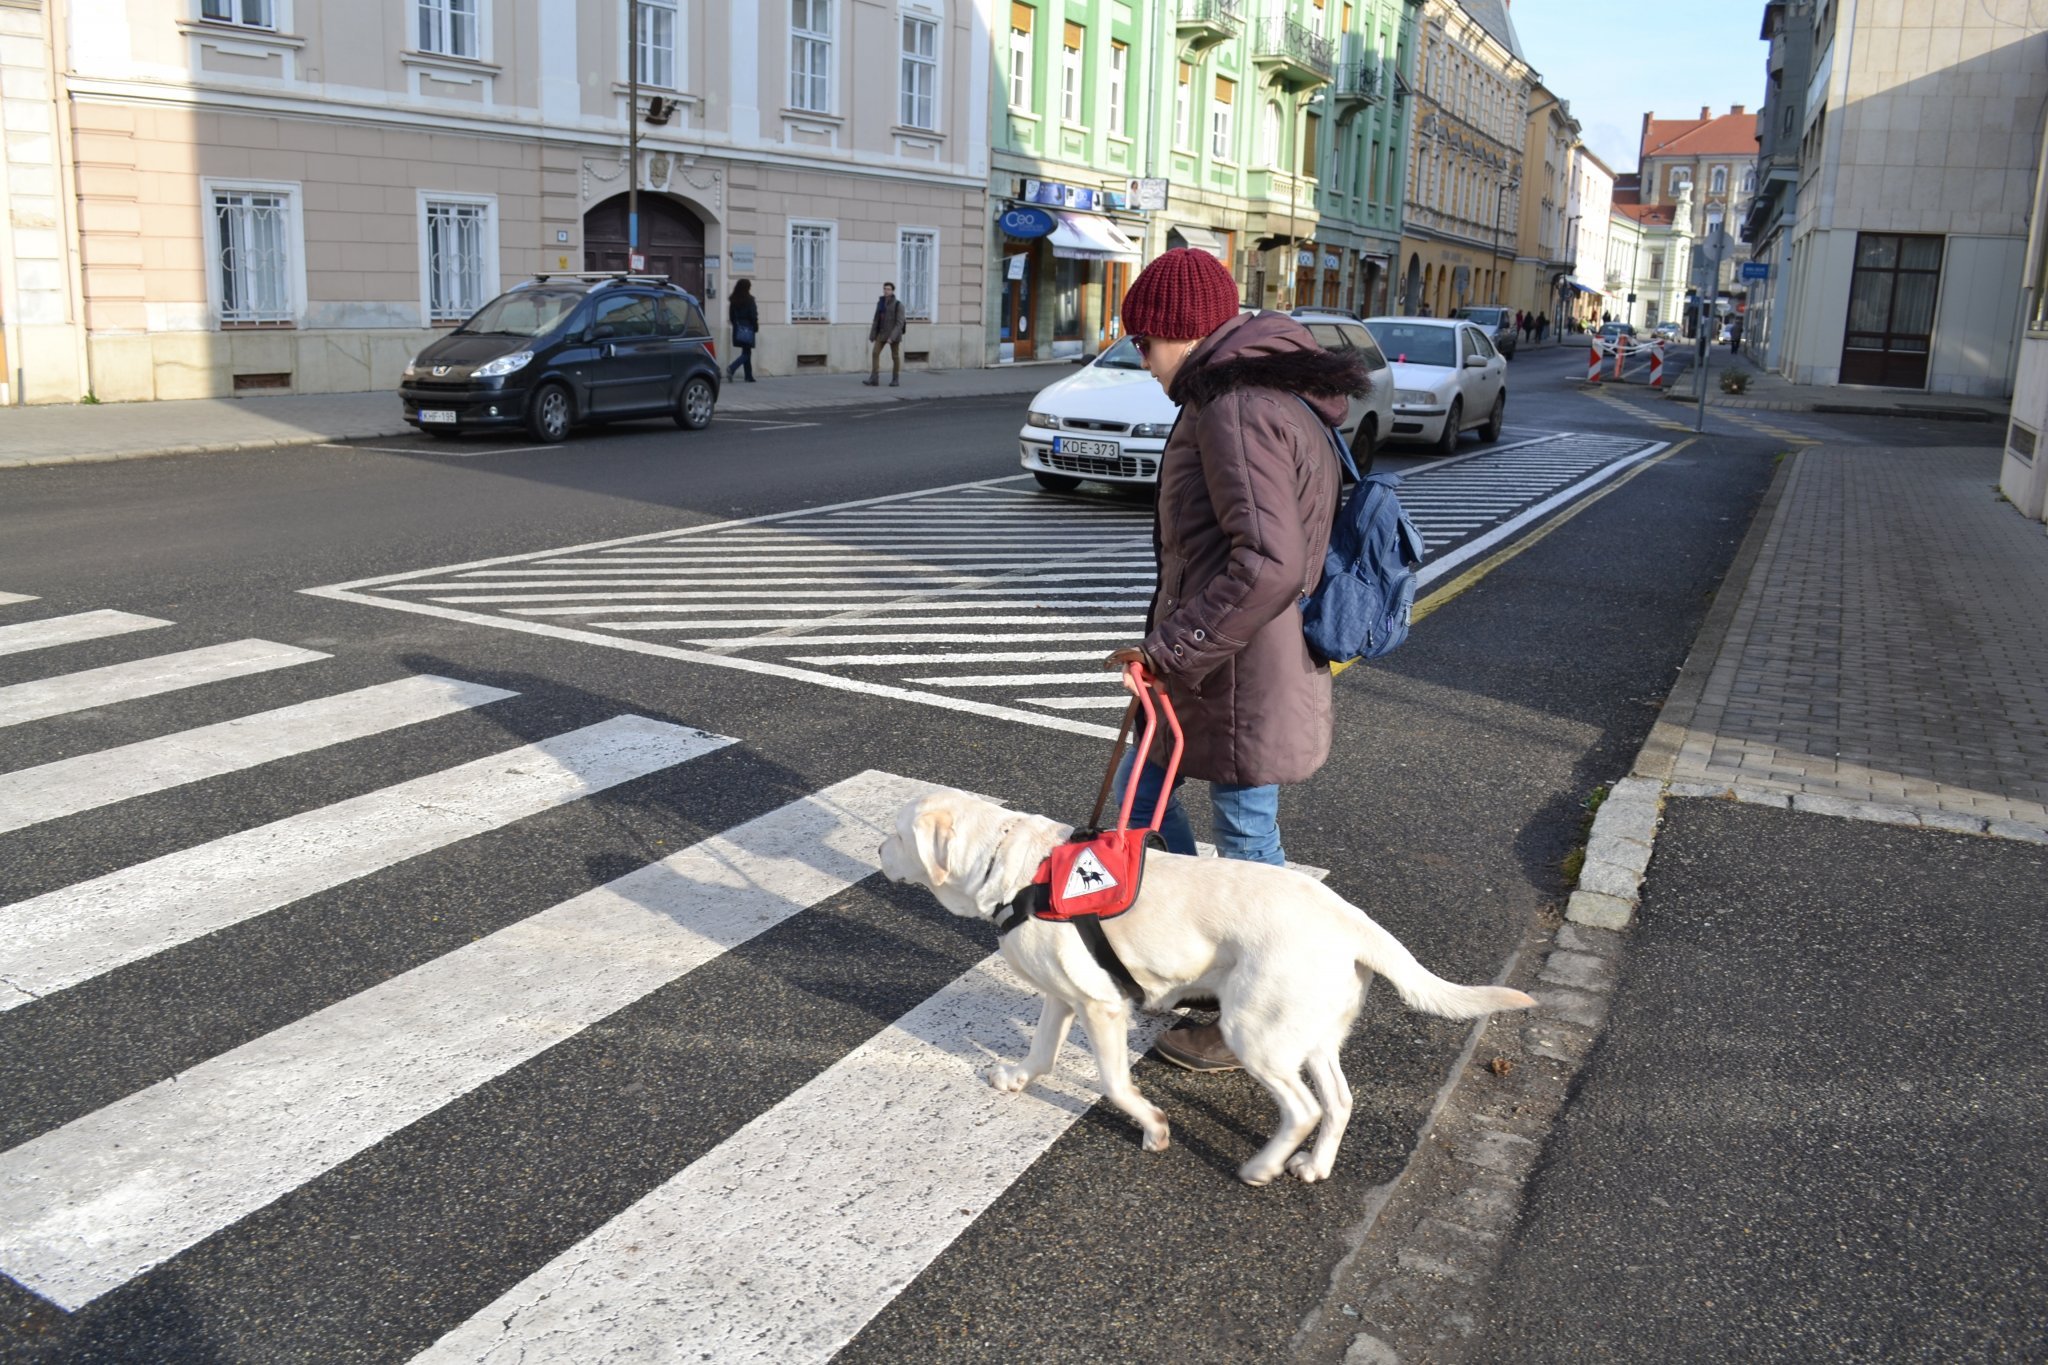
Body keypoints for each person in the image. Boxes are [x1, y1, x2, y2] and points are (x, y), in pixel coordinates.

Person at [1102, 247, 1364, 1073]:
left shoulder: (1236, 408)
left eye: (1145, 342)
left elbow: (1269, 562)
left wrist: (1169, 649)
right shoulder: (1250, 393)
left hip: (1235, 670)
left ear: (1183, 330)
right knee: (1137, 801)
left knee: (1247, 843)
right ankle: (1199, 952)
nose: (1140, 360)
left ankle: (1256, 990)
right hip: (1228, 664)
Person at [864, 282, 906, 387]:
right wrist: (872, 335)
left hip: (893, 335)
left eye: (888, 289)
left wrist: (892, 337)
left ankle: (895, 379)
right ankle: (874, 378)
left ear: (892, 291)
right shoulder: (880, 303)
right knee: (875, 353)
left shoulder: (898, 305)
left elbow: (900, 323)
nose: (886, 291)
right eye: (884, 289)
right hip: (881, 333)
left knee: (895, 356)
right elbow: (876, 320)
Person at [726, 278, 758, 383]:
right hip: (748, 327)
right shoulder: (750, 300)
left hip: (738, 327)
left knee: (746, 351)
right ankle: (732, 368)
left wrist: (736, 324)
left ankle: (748, 376)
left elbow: (731, 316)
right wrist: (755, 326)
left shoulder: (733, 299)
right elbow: (753, 315)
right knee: (747, 353)